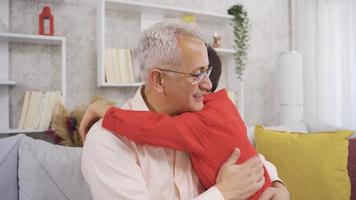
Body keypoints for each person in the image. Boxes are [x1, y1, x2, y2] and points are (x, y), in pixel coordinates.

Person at [81, 20, 290, 200]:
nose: (208, 84)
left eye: (207, 70)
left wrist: (277, 186)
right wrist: (223, 193)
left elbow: (247, 154)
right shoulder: (106, 140)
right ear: (159, 80)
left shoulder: (202, 113)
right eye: (197, 74)